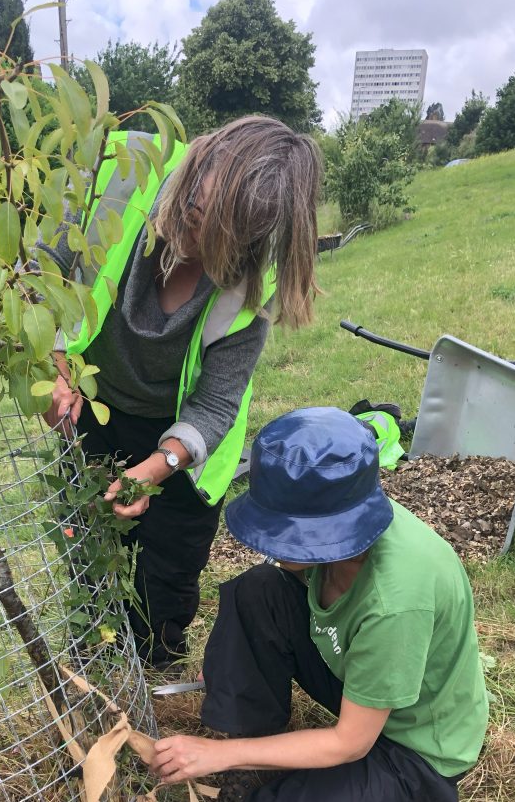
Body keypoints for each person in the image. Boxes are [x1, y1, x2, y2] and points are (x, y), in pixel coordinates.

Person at [150, 407, 489, 802]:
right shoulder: (339, 542)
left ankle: (250, 768)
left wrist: (216, 754)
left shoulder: (396, 601)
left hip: (411, 745)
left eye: (284, 531)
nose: (272, 543)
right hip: (361, 681)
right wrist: (230, 666)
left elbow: (351, 743)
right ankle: (248, 760)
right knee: (257, 591)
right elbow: (271, 596)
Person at [40, 117, 322, 668]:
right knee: (90, 541)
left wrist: (155, 467)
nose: (191, 243)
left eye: (218, 241)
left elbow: (216, 403)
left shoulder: (248, 290)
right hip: (96, 400)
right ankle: (93, 655)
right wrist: (52, 365)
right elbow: (35, 275)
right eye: (193, 217)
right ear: (195, 168)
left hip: (181, 434)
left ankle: (155, 660)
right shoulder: (116, 178)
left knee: (168, 566)